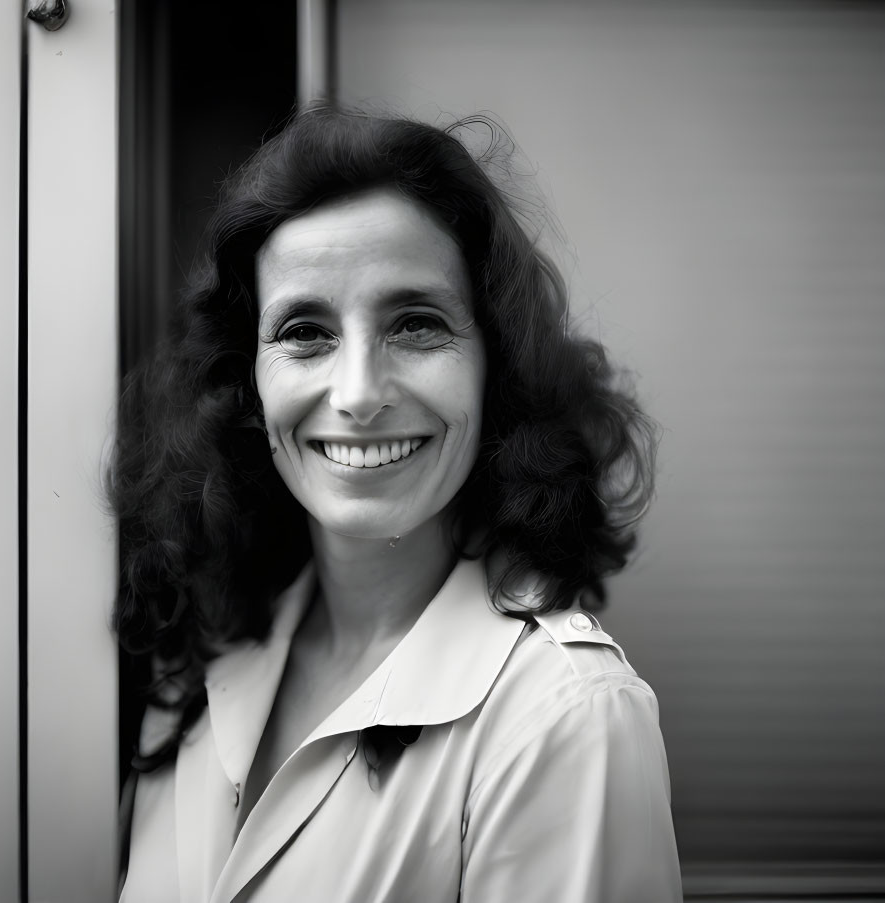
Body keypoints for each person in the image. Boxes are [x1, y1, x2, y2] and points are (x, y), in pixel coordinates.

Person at [110, 107, 682, 902]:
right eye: (305, 331)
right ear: (247, 384)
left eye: (415, 324)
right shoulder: (201, 658)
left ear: (496, 370)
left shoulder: (568, 716)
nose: (357, 395)